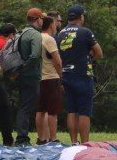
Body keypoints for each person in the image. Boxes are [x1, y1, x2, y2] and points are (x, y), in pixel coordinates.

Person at [57, 4, 103, 145]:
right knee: (84, 111)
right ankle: (85, 143)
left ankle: (74, 142)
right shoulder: (85, 32)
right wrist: (89, 56)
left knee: (71, 109)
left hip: (66, 74)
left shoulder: (60, 33)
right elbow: (99, 53)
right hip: (83, 74)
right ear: (80, 17)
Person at [14, 8, 45, 146]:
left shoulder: (20, 33)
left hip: (20, 76)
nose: (42, 21)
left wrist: (18, 71)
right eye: (42, 19)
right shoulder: (35, 35)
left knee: (23, 106)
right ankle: (22, 138)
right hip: (30, 75)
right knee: (26, 107)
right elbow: (34, 56)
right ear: (37, 19)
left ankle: (21, 136)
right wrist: (23, 69)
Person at [35, 15, 63, 144]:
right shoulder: (49, 39)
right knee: (53, 111)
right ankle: (53, 138)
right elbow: (57, 61)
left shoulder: (37, 37)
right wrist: (60, 77)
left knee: (41, 109)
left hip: (39, 77)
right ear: (51, 24)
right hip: (51, 77)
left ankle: (41, 138)